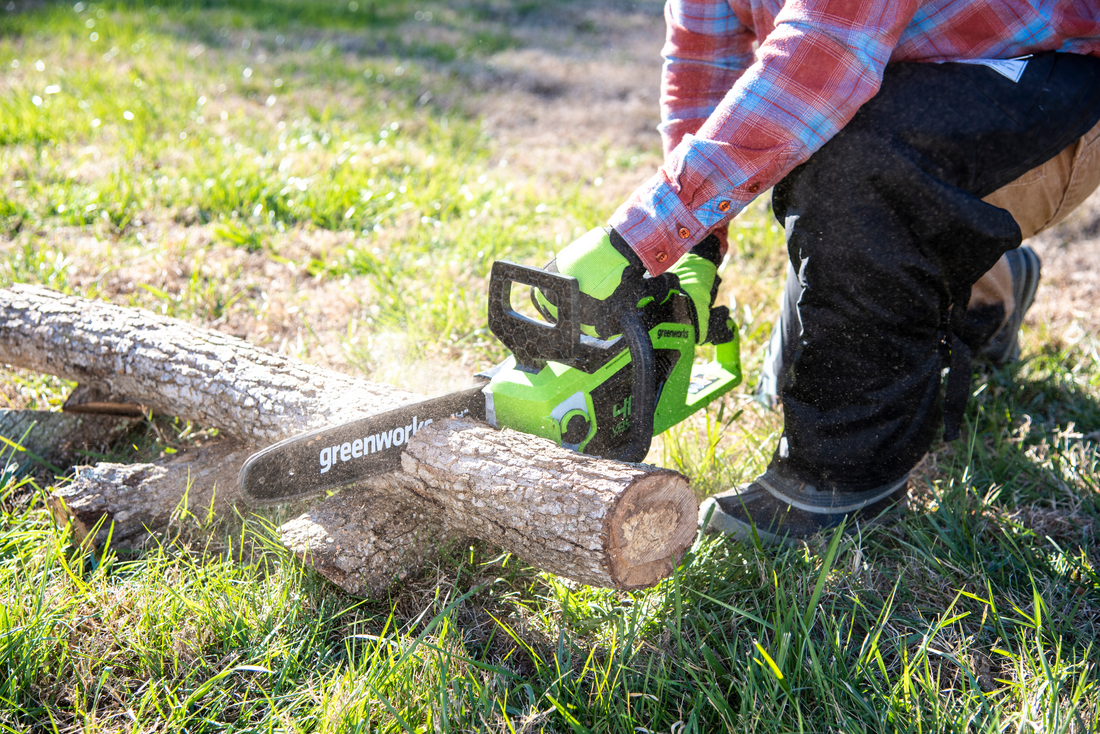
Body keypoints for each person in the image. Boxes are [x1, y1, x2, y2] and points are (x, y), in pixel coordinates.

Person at [546, 0, 1100, 544]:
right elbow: (702, 71)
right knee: (804, 373)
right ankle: (988, 289)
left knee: (848, 170)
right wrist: (689, 252)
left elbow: (825, 53)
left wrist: (637, 236)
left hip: (1050, 81)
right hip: (901, 85)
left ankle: (847, 482)